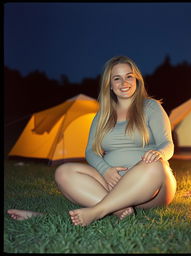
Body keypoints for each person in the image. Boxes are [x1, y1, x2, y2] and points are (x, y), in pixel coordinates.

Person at [7, 56, 177, 227]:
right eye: (116, 78)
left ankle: (97, 211)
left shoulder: (151, 107)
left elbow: (167, 145)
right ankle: (119, 210)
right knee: (64, 172)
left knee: (155, 164)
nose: (124, 82)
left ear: (137, 80)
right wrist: (105, 171)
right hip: (112, 184)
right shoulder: (101, 115)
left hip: (151, 187)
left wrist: (159, 153)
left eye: (129, 76)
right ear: (109, 85)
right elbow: (91, 151)